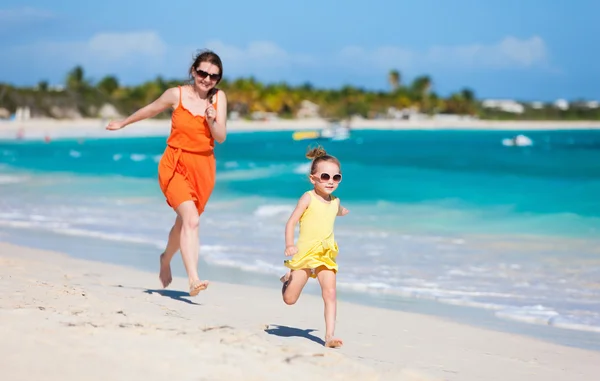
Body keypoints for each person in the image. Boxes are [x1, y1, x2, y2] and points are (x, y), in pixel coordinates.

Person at [106, 50, 228, 296]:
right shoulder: (177, 94)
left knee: (184, 222)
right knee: (192, 220)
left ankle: (165, 258)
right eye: (202, 73)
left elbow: (221, 137)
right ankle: (194, 279)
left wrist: (212, 121)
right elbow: (150, 109)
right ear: (193, 71)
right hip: (175, 164)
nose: (206, 79)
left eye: (213, 76)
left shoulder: (218, 99)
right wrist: (123, 123)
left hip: (203, 168)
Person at [280, 145, 349, 348]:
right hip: (303, 255)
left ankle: (329, 335)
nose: (330, 181)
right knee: (290, 299)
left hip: (325, 254)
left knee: (330, 293)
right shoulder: (308, 197)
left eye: (336, 178)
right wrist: (289, 244)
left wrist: (343, 211)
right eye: (325, 176)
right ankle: (288, 278)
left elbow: (336, 210)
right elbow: (291, 222)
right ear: (313, 178)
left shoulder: (335, 201)